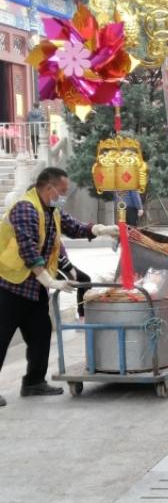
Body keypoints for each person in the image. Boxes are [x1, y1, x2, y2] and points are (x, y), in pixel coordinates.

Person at [0, 167, 119, 405]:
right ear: (49, 187)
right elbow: (27, 250)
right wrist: (50, 280)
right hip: (10, 285)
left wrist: (100, 229)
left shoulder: (52, 210)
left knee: (41, 333)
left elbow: (74, 227)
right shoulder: (25, 208)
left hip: (33, 287)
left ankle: (34, 382)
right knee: (1, 337)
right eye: (62, 191)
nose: (63, 195)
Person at [58, 246, 91, 321]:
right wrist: (69, 267)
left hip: (64, 263)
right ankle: (82, 315)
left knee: (85, 279)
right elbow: (53, 252)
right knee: (84, 279)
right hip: (59, 265)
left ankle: (82, 315)